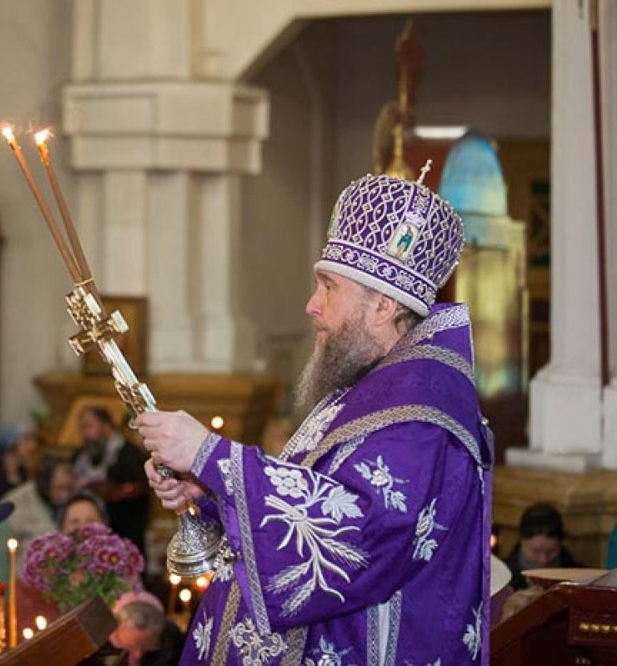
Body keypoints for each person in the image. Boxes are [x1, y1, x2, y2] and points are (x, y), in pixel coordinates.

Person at [139, 173, 493, 664]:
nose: (311, 304)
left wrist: (213, 456)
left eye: (328, 287)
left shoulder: (421, 414)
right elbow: (309, 501)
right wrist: (213, 492)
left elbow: (359, 535)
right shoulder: (371, 390)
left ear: (383, 305)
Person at [72, 406, 150, 556]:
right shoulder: (80, 455)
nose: (84, 433)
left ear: (106, 426)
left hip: (124, 537)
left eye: (87, 426)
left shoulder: (130, 456)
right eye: (81, 428)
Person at [0, 456, 75, 581]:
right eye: (58, 488)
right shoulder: (16, 504)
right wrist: (6, 594)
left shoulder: (74, 501)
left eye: (68, 488)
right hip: (23, 588)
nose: (64, 495)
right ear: (44, 483)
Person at [504, 502, 581, 591]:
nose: (543, 560)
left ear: (560, 544)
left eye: (551, 552)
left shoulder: (578, 578)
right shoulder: (501, 577)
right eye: (536, 552)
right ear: (522, 541)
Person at [106, 591, 184, 666]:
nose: (138, 655)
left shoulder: (174, 649)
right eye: (129, 646)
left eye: (147, 646)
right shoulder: (109, 641)